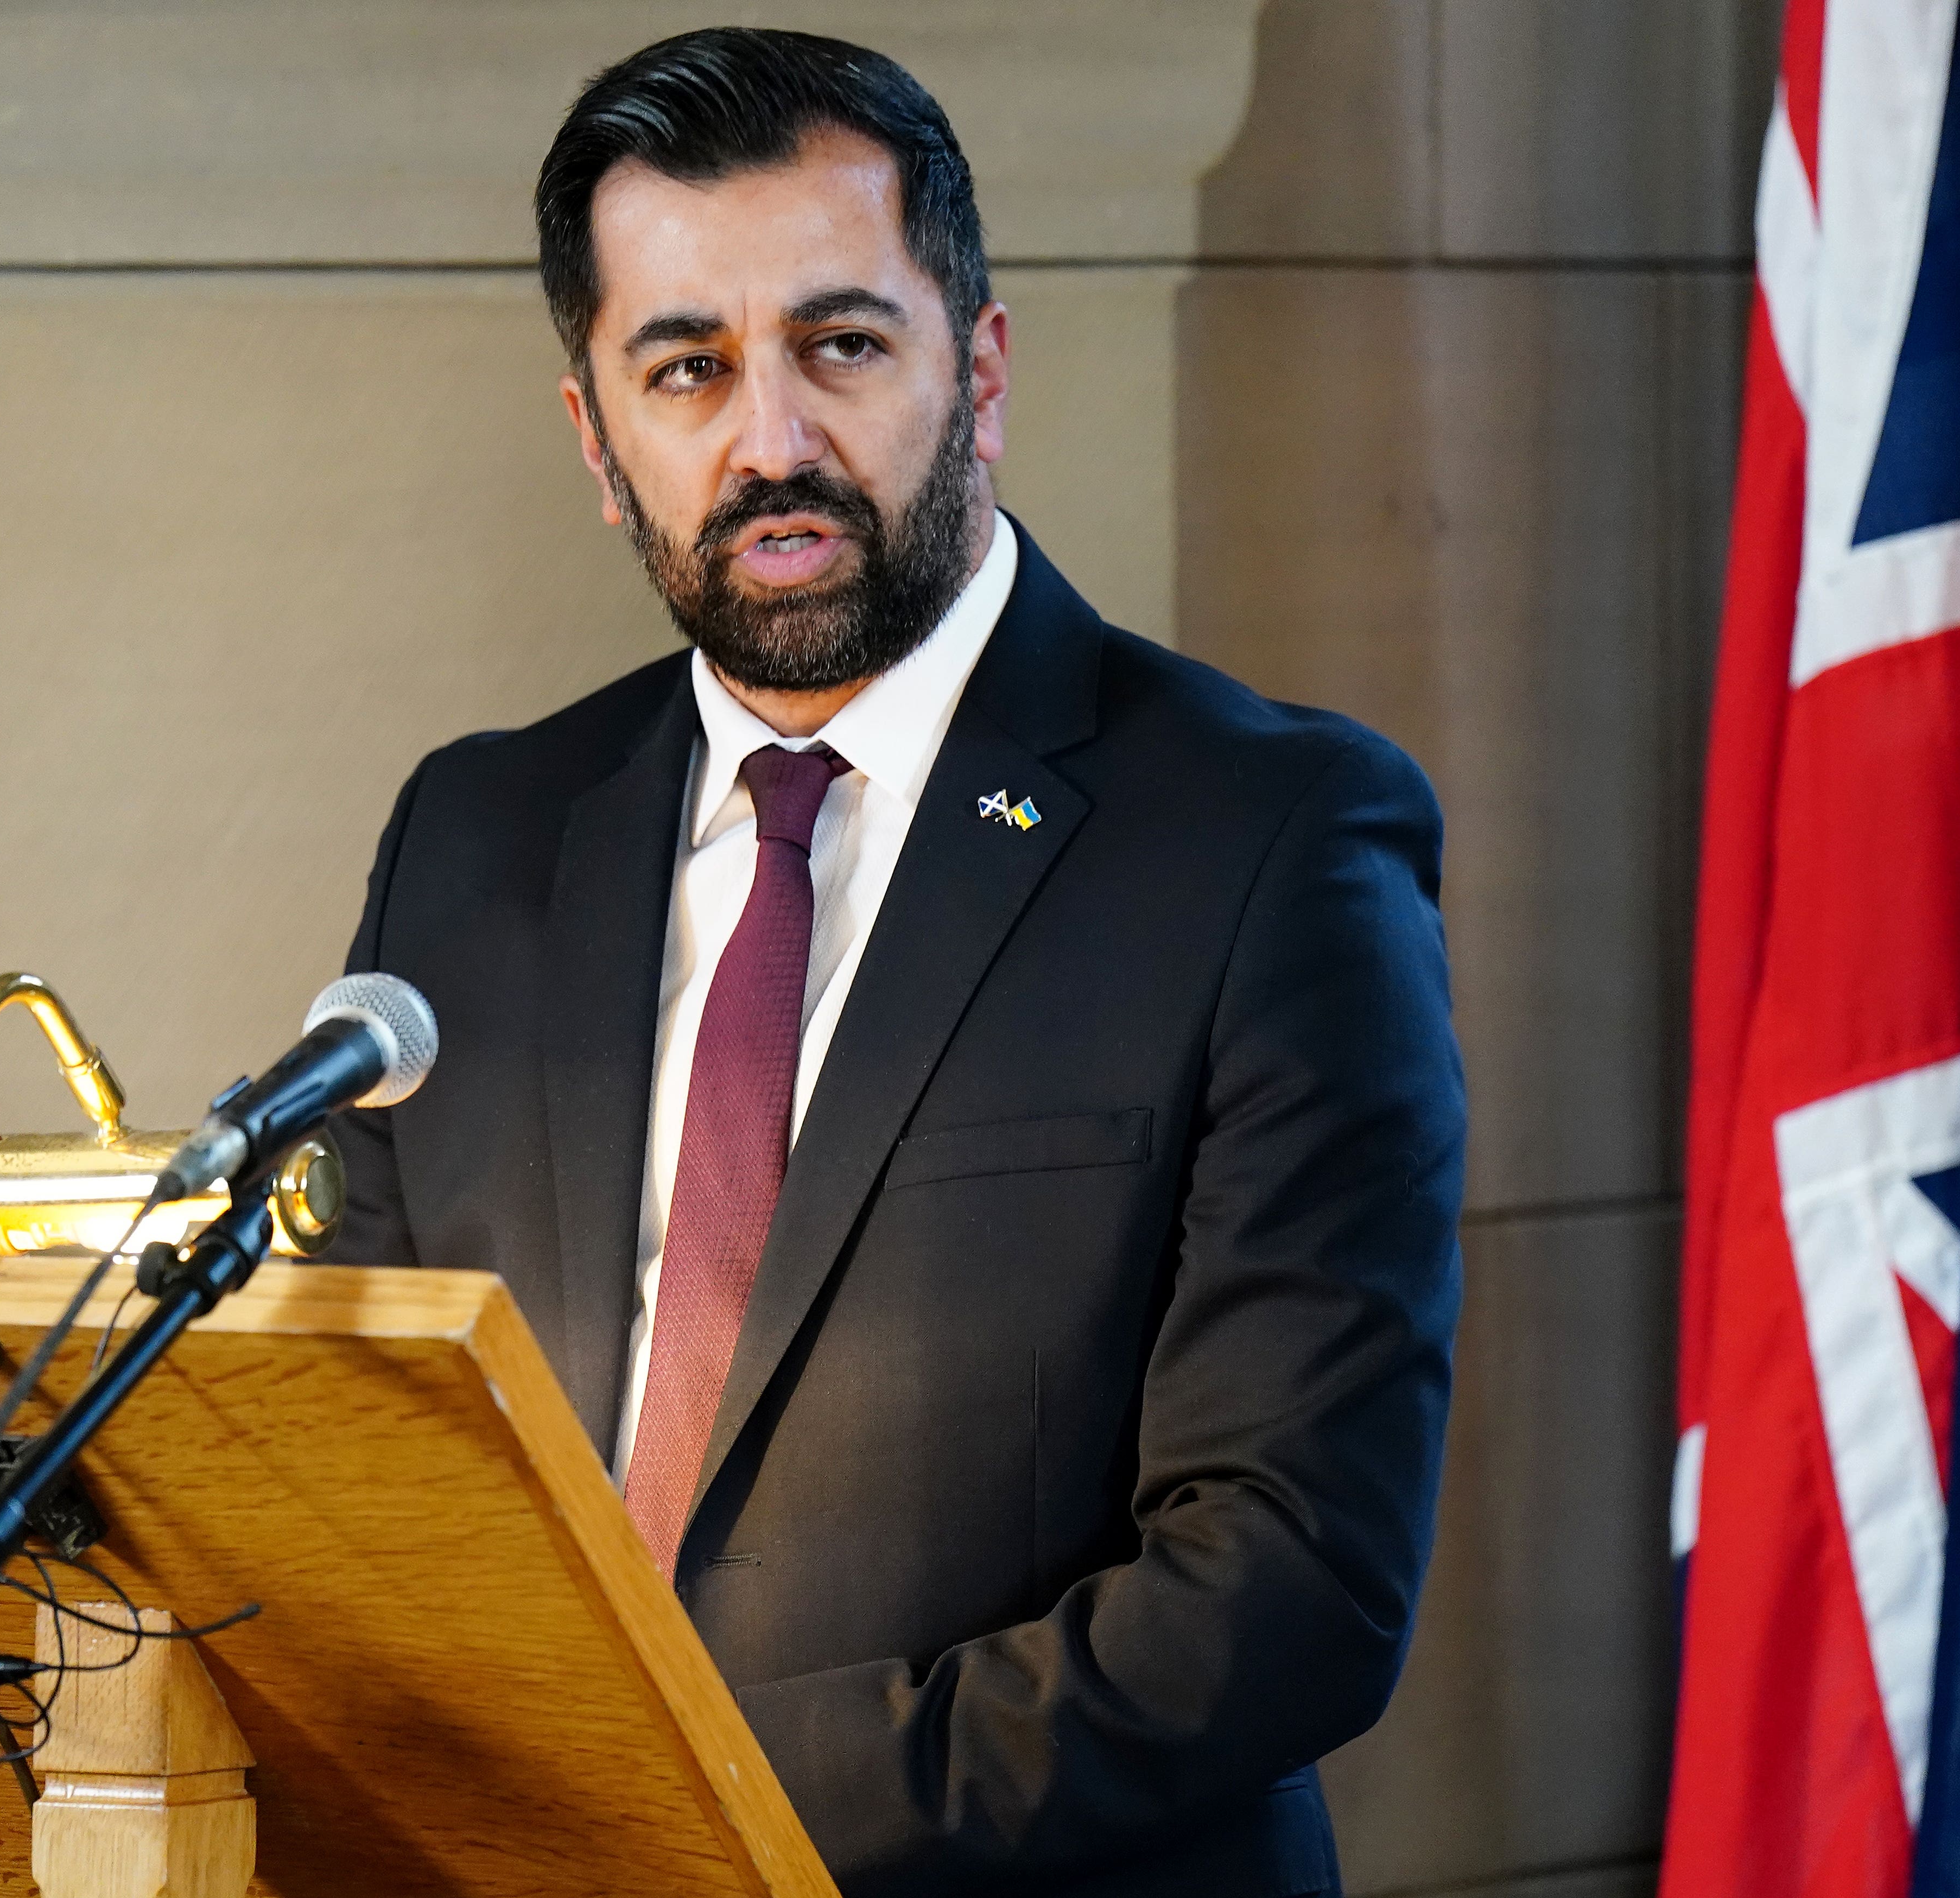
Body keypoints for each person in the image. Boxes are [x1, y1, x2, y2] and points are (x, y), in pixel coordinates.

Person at [324, 28, 1464, 1897]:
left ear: (981, 368)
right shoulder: (474, 839)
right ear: (599, 439)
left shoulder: (1273, 839)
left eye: (840, 346)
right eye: (686, 368)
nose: (770, 440)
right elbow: (373, 1462)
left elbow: (1291, 1581)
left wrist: (666, 1801)